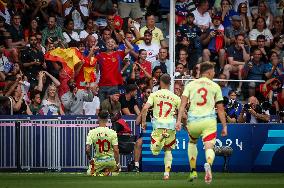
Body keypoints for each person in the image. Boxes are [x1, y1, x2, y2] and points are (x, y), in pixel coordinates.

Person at [176, 61, 227, 184]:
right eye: (213, 71)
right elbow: (220, 109)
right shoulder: (215, 86)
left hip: (193, 121)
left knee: (192, 143)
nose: (214, 73)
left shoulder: (190, 84)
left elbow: (182, 105)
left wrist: (178, 121)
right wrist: (224, 126)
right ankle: (208, 163)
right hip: (208, 121)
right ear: (209, 72)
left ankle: (193, 170)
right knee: (209, 146)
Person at [140, 74, 181, 180]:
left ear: (160, 82)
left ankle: (162, 137)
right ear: (170, 83)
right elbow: (183, 113)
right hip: (171, 125)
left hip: (158, 125)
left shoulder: (154, 94)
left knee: (154, 151)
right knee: (168, 150)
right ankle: (166, 174)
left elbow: (145, 108)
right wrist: (182, 123)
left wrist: (143, 122)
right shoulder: (176, 97)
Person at [85, 110, 120, 176]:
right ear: (107, 119)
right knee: (116, 172)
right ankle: (109, 173)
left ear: (98, 118)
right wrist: (117, 164)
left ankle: (101, 174)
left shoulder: (92, 132)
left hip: (98, 162)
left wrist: (90, 160)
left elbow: (87, 150)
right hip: (111, 161)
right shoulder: (112, 132)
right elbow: (116, 150)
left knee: (89, 173)